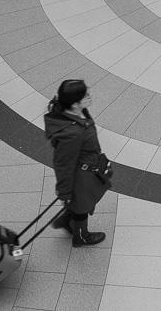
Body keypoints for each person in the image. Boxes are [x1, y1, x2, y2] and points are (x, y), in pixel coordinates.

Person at [45, 80, 109, 247]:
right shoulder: (70, 133)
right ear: (74, 104)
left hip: (87, 169)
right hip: (81, 177)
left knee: (80, 203)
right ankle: (81, 236)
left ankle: (67, 220)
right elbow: (63, 165)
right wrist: (64, 192)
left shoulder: (77, 112)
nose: (90, 97)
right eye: (86, 95)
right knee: (82, 206)